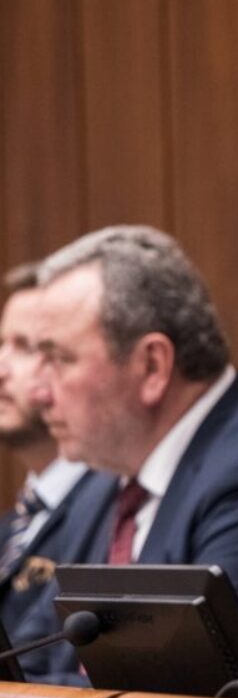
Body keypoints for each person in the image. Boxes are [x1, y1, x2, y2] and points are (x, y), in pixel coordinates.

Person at [16, 225, 238, 680]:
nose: (39, 393)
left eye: (58, 359)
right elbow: (34, 655)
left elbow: (200, 684)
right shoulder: (104, 478)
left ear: (152, 365)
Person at [0, 265, 105, 632]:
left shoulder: (110, 515)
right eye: (1, 344)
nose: (1, 369)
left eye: (27, 347)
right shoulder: (13, 526)